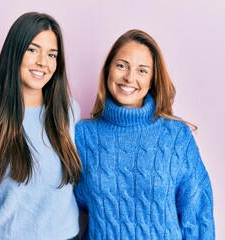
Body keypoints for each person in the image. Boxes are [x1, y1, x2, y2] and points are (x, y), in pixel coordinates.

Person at [73, 29, 215, 239]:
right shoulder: (83, 136)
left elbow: (197, 213)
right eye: (121, 65)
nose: (130, 77)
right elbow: (62, 207)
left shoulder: (175, 136)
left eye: (142, 70)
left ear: (152, 80)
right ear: (108, 71)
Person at [0, 12, 81, 240]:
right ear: (15, 52)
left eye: (52, 54)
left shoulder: (69, 111)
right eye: (32, 49)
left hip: (66, 235)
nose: (43, 61)